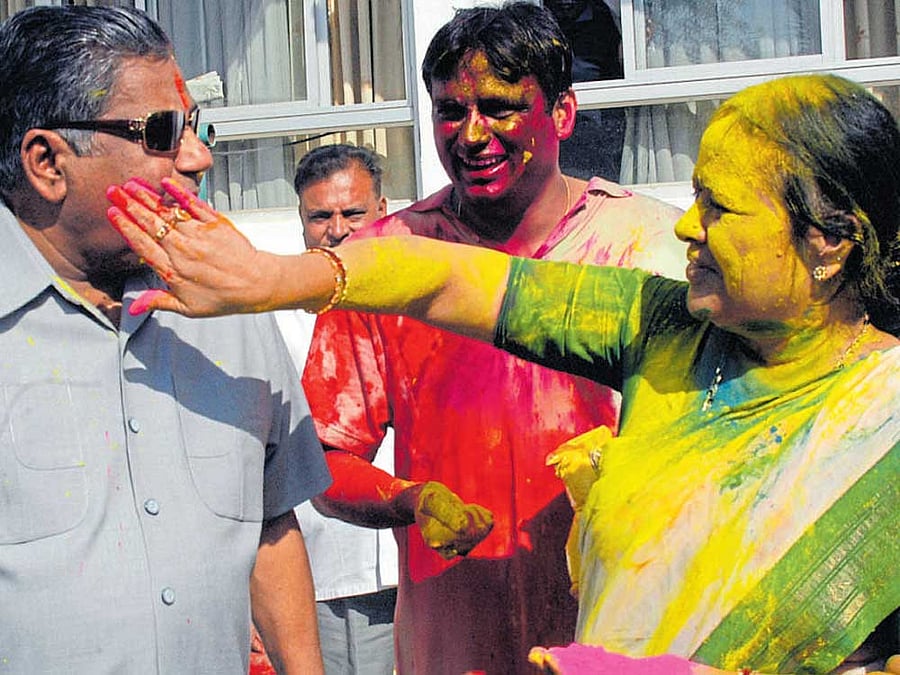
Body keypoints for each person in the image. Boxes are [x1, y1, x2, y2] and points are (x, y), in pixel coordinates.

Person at [107, 72, 899, 674]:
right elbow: (444, 277)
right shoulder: (662, 326)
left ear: (829, 242)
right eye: (693, 196)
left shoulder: (887, 421)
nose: (687, 226)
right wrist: (272, 279)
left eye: (720, 209)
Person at [300, 4, 682, 672]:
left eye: (501, 108)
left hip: (624, 644)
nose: (472, 135)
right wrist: (410, 500)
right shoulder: (386, 264)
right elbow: (322, 459)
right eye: (450, 112)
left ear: (562, 113)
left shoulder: (649, 249)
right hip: (453, 644)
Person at [0, 6, 330, 674]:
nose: (198, 155)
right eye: (162, 132)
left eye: (196, 127)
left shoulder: (230, 304)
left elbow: (271, 525)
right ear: (47, 162)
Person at [266, 144, 398, 675]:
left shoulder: (424, 302)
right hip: (320, 577)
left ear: (383, 211)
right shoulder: (272, 316)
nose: (336, 229)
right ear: (301, 221)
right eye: (320, 216)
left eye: (352, 213)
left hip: (414, 566)